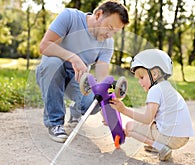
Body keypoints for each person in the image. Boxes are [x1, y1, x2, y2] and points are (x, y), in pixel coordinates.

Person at [36, 1, 129, 143]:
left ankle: (76, 110)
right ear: (98, 15)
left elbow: (102, 79)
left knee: (92, 103)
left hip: (78, 80)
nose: (110, 35)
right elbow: (44, 46)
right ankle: (55, 124)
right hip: (52, 73)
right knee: (53, 63)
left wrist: (105, 105)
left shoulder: (107, 43)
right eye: (109, 28)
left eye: (114, 32)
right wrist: (73, 57)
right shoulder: (70, 17)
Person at [110, 49, 194, 161]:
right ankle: (158, 144)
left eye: (141, 77)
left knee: (130, 127)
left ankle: (160, 147)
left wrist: (123, 110)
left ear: (154, 74)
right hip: (183, 137)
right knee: (152, 125)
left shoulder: (155, 90)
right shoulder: (167, 88)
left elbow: (146, 119)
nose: (139, 82)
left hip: (171, 137)